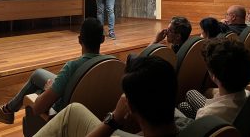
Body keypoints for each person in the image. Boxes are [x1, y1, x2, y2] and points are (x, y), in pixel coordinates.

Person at [0, 17, 105, 124]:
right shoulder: (111, 62)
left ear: (79, 40)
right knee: (38, 74)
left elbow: (38, 108)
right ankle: (7, 110)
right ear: (103, 39)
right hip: (94, 116)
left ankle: (7, 111)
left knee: (38, 90)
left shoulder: (72, 67)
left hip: (65, 117)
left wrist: (47, 90)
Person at [34, 56, 183, 137]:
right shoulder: (188, 123)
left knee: (70, 112)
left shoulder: (71, 65)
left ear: (129, 106)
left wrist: (114, 119)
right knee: (74, 110)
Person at [178, 38, 250, 123]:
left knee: (184, 104)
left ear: (214, 76)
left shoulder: (206, 114)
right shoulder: (249, 95)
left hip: (210, 122)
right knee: (187, 100)